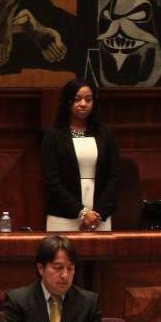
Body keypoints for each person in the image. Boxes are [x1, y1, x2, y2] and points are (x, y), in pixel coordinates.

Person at [41, 79, 119, 232]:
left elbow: (113, 177)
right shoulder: (53, 134)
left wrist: (97, 214)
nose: (83, 104)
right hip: (63, 214)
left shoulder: (105, 133)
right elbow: (52, 180)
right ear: (67, 101)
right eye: (77, 99)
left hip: (99, 216)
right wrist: (82, 212)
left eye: (88, 99)